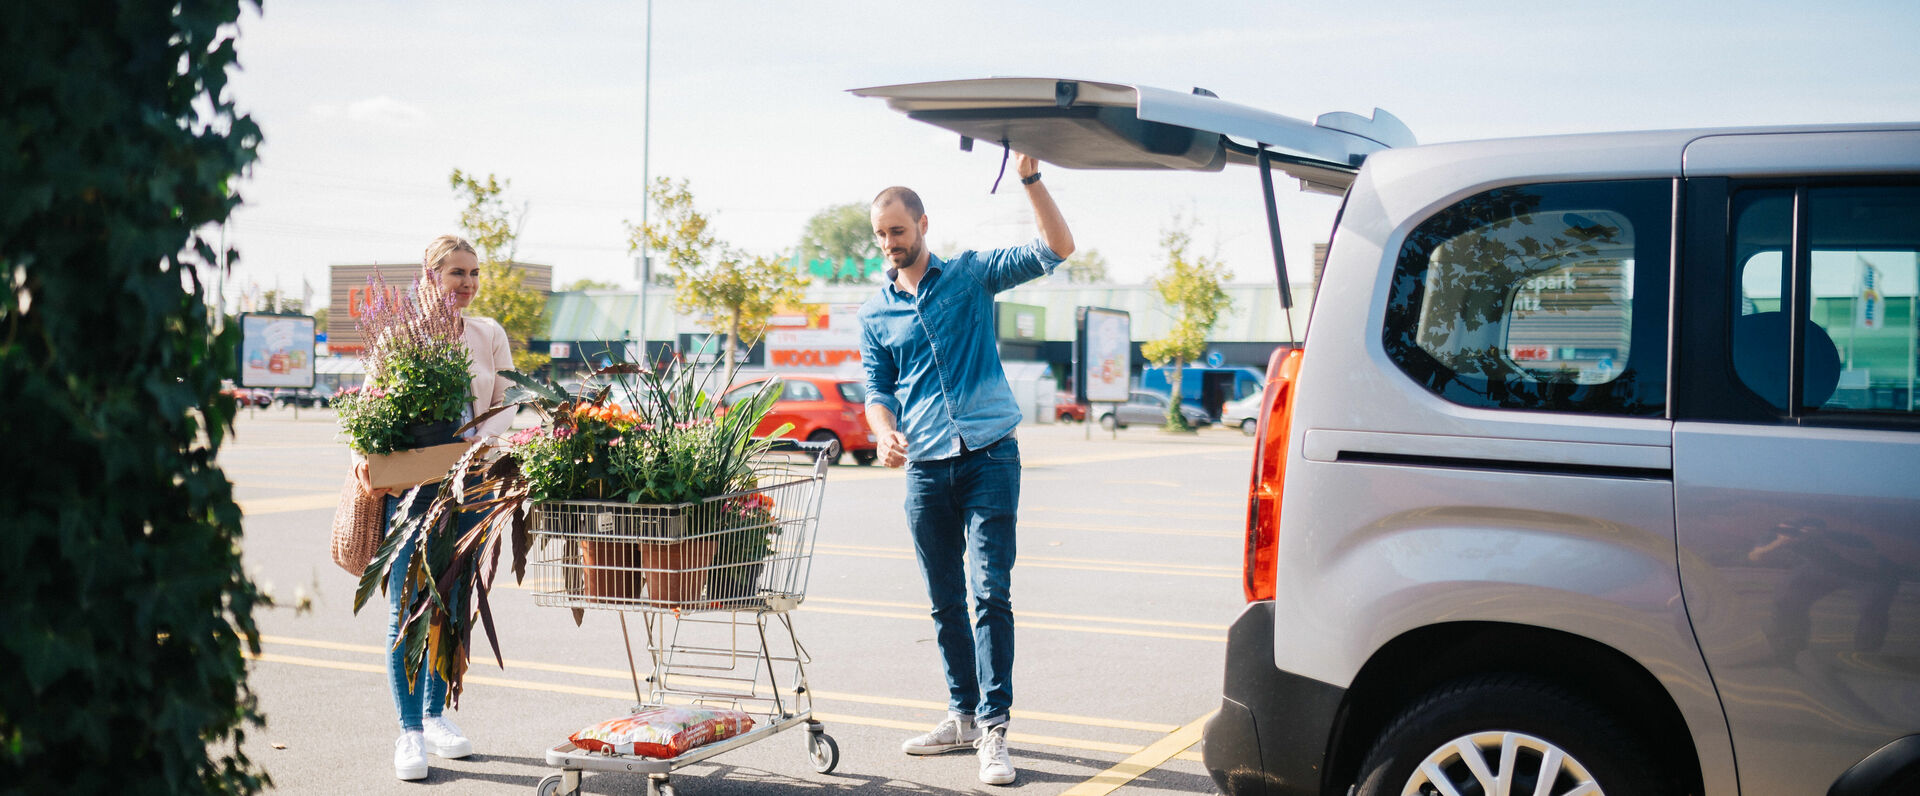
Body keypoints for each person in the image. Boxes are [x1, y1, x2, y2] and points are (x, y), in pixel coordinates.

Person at [858, 153, 1073, 786]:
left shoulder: (972, 276)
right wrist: (882, 434)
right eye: (880, 234)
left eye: (898, 230)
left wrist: (1031, 179)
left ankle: (995, 729)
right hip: (924, 467)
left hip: (989, 457)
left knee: (990, 593)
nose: (889, 243)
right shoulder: (875, 314)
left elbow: (1058, 247)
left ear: (922, 223)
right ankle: (962, 716)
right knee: (944, 600)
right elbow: (877, 391)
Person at [352, 234, 515, 781]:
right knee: (407, 606)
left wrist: (472, 448)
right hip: (414, 489)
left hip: (471, 486)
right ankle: (409, 732)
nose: (467, 283)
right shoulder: (398, 335)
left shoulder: (488, 333)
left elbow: (505, 405)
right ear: (430, 276)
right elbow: (369, 405)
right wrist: (363, 459)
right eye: (456, 274)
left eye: (474, 273)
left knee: (451, 602)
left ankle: (434, 714)